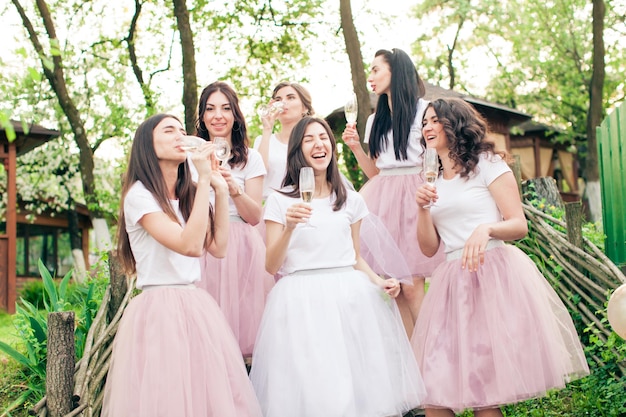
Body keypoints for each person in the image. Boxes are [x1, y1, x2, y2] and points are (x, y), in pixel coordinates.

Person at [412, 98, 589, 416]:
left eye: (435, 120)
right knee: (434, 393)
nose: (427, 127)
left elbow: (518, 224)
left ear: (456, 123)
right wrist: (422, 209)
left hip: (489, 277)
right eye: (424, 122)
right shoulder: (431, 179)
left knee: (483, 390)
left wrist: (487, 229)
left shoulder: (487, 164)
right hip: (451, 283)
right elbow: (428, 248)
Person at [250, 117, 426, 417]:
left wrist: (377, 281)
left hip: (349, 296)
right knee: (316, 382)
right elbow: (271, 265)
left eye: (324, 138)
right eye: (309, 139)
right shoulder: (280, 201)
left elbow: (355, 256)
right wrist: (290, 227)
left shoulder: (351, 200)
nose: (319, 144)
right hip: (301, 299)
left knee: (356, 382)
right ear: (297, 150)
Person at [102, 114, 262, 417]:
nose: (180, 136)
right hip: (159, 308)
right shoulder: (139, 196)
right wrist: (204, 184)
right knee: (169, 398)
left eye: (181, 130)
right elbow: (189, 246)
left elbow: (218, 248)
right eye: (169, 130)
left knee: (204, 396)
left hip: (195, 305)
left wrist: (221, 189)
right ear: (147, 144)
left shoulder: (189, 195)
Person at [342, 48, 444, 335]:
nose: (370, 77)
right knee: (397, 290)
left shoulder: (425, 111)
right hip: (383, 199)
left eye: (376, 70)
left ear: (395, 72)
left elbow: (438, 155)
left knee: (412, 286)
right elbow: (375, 172)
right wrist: (354, 148)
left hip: (415, 196)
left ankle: (430, 357)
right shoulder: (376, 120)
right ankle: (414, 363)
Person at [195, 81, 274, 360]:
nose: (218, 115)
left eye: (226, 108)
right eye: (211, 108)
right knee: (206, 331)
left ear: (235, 115)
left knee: (243, 328)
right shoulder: (190, 158)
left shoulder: (251, 159)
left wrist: (234, 189)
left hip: (242, 246)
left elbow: (254, 216)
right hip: (203, 243)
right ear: (202, 117)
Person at [253, 81, 315, 201]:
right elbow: (258, 174)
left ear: (305, 108)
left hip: (305, 205)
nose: (283, 102)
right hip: (271, 208)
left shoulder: (312, 141)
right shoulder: (263, 140)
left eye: (290, 98)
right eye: (278, 99)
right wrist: (267, 128)